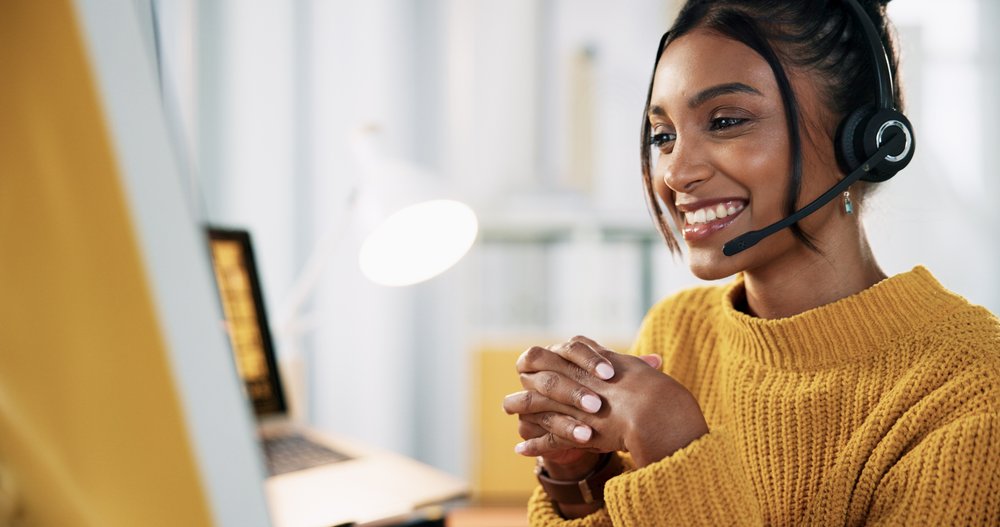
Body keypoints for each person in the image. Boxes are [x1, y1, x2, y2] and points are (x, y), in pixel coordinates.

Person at [502, 0, 1000, 525]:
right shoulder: (678, 333)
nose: (675, 173)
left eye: (725, 121)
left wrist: (676, 447)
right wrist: (577, 472)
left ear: (864, 144)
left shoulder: (971, 390)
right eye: (663, 136)